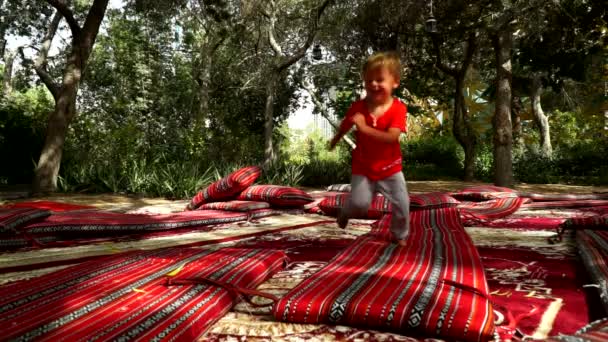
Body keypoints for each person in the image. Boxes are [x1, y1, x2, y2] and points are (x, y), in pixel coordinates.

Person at [328, 51, 409, 246]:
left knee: (402, 204)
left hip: (390, 168)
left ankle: (399, 234)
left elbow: (391, 138)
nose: (373, 84)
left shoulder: (399, 108)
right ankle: (346, 211)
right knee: (360, 205)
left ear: (395, 82)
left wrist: (364, 128)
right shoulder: (358, 107)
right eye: (369, 80)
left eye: (380, 79)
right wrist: (336, 139)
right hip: (363, 167)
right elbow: (346, 124)